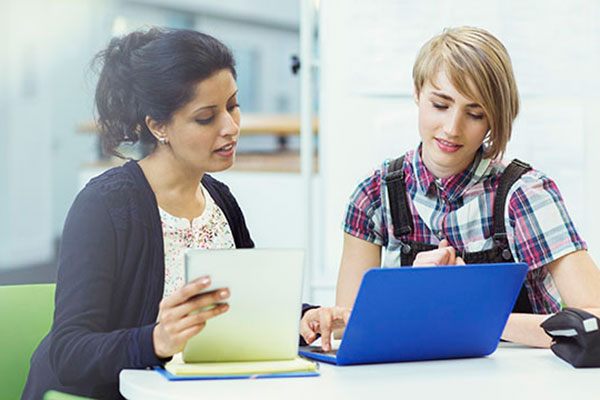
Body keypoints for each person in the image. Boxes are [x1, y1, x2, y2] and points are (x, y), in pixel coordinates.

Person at [300, 26, 600, 352]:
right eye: (440, 105)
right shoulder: (373, 196)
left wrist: (468, 312)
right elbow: (351, 329)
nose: (452, 129)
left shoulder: (524, 195)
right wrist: (409, 292)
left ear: (493, 120)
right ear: (417, 93)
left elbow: (593, 323)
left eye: (474, 114)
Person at [22, 28, 257, 399]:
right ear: (158, 126)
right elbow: (69, 352)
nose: (230, 127)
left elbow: (248, 306)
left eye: (232, 105)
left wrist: (304, 318)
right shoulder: (105, 205)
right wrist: (156, 340)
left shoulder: (221, 201)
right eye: (205, 117)